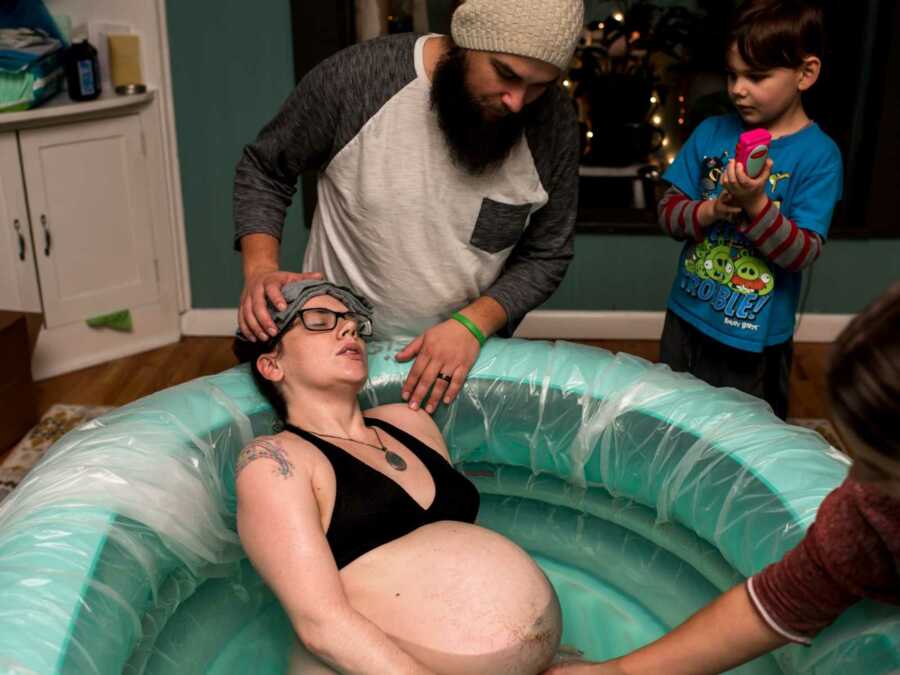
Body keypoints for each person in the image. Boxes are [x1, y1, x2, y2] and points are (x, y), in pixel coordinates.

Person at [233, 0, 583, 417]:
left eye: (541, 86)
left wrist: (473, 324)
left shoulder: (553, 121)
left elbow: (547, 253)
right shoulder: (359, 79)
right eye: (505, 73)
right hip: (333, 356)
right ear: (465, 39)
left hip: (455, 361)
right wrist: (260, 269)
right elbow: (266, 168)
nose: (517, 101)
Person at [544, 281, 900, 674]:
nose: (857, 485)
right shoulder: (870, 509)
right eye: (861, 460)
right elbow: (781, 601)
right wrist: (617, 671)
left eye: (882, 471)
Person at [233, 279, 562, 675]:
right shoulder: (276, 460)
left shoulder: (409, 421)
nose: (348, 328)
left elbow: (446, 556)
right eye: (319, 320)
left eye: (351, 321)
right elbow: (320, 624)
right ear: (272, 364)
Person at [656, 0, 843, 419]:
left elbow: (802, 253)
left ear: (805, 73)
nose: (738, 89)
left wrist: (756, 204)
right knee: (670, 422)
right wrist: (713, 210)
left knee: (745, 439)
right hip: (686, 320)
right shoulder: (711, 133)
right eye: (733, 74)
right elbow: (667, 214)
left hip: (755, 341)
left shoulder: (819, 156)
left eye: (756, 77)